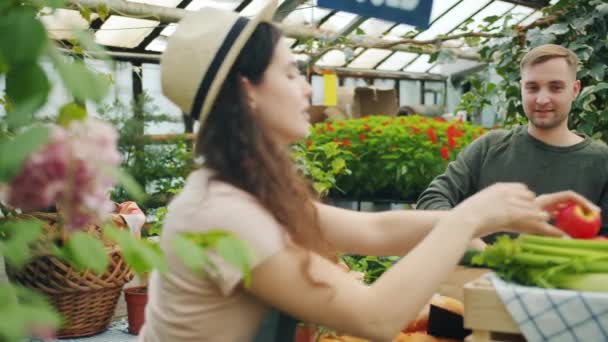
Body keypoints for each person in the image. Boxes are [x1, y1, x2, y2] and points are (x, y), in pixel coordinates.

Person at [139, 6, 598, 341]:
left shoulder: (249, 190)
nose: (306, 87)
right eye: (291, 72)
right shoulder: (221, 214)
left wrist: (502, 216)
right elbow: (374, 318)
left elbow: (375, 228)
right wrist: (468, 217)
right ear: (248, 91)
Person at [417, 44, 608, 245]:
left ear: (575, 90)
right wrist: (471, 241)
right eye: (532, 87)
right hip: (479, 275)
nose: (542, 99)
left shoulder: (601, 161)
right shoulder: (490, 147)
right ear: (521, 89)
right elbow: (431, 199)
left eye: (556, 87)